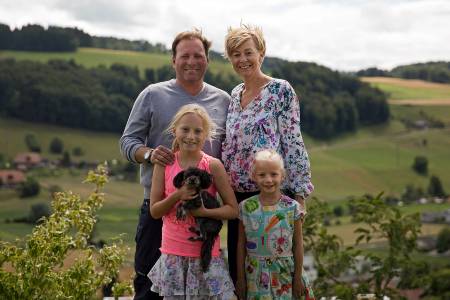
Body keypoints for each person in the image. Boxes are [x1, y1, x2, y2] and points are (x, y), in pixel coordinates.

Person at [119, 29, 230, 299]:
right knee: (149, 286)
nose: (191, 61)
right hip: (159, 207)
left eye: (198, 55)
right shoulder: (152, 95)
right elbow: (127, 141)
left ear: (207, 60)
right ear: (173, 60)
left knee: (200, 287)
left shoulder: (224, 101)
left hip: (203, 211)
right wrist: (149, 155)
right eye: (185, 56)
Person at [222, 24, 314, 284]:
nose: (243, 60)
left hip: (269, 194)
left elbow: (293, 142)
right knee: (240, 270)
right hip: (237, 199)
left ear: (261, 53)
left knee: (272, 272)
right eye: (236, 54)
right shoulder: (235, 94)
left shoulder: (280, 91)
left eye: (248, 52)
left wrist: (300, 194)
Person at [147, 104, 238, 299]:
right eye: (185, 129)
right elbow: (154, 211)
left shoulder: (213, 165)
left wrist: (204, 213)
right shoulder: (164, 165)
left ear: (206, 135)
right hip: (173, 254)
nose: (191, 136)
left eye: (198, 131)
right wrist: (177, 195)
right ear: (175, 131)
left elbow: (232, 210)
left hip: (205, 255)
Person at [236, 150, 315, 300]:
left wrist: (297, 278)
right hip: (256, 276)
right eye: (262, 175)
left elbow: (298, 244)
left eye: (273, 174)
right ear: (254, 176)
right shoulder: (245, 207)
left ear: (282, 175)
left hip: (286, 273)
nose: (268, 180)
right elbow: (241, 245)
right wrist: (241, 279)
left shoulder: (292, 207)